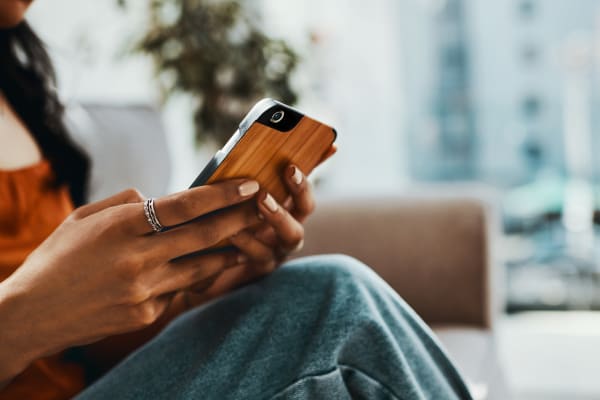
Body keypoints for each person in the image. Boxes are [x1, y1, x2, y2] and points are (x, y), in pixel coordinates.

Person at [0, 1, 474, 399]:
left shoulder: (18, 89)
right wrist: (21, 319)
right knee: (335, 301)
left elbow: (70, 350)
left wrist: (198, 285)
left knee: (307, 302)